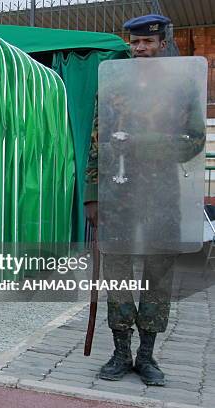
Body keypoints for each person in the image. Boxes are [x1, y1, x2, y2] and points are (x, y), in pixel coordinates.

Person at [85, 14, 205, 386]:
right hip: (118, 193)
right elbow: (96, 141)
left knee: (157, 274)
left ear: (163, 43)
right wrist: (92, 196)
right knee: (118, 274)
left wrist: (144, 143)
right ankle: (120, 353)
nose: (140, 48)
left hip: (162, 192)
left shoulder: (181, 87)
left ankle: (147, 356)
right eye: (135, 42)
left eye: (148, 42)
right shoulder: (113, 85)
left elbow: (195, 141)